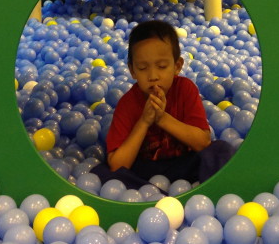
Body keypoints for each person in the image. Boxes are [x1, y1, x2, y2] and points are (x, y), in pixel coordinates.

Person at [93, 20, 234, 189]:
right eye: (143, 68)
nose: (153, 76)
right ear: (132, 71)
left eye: (161, 66)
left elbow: (203, 142)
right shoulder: (127, 104)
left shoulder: (185, 89)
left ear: (177, 66)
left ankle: (203, 192)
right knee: (101, 173)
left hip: (185, 165)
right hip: (144, 171)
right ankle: (156, 198)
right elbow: (117, 164)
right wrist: (144, 121)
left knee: (220, 150)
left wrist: (161, 118)